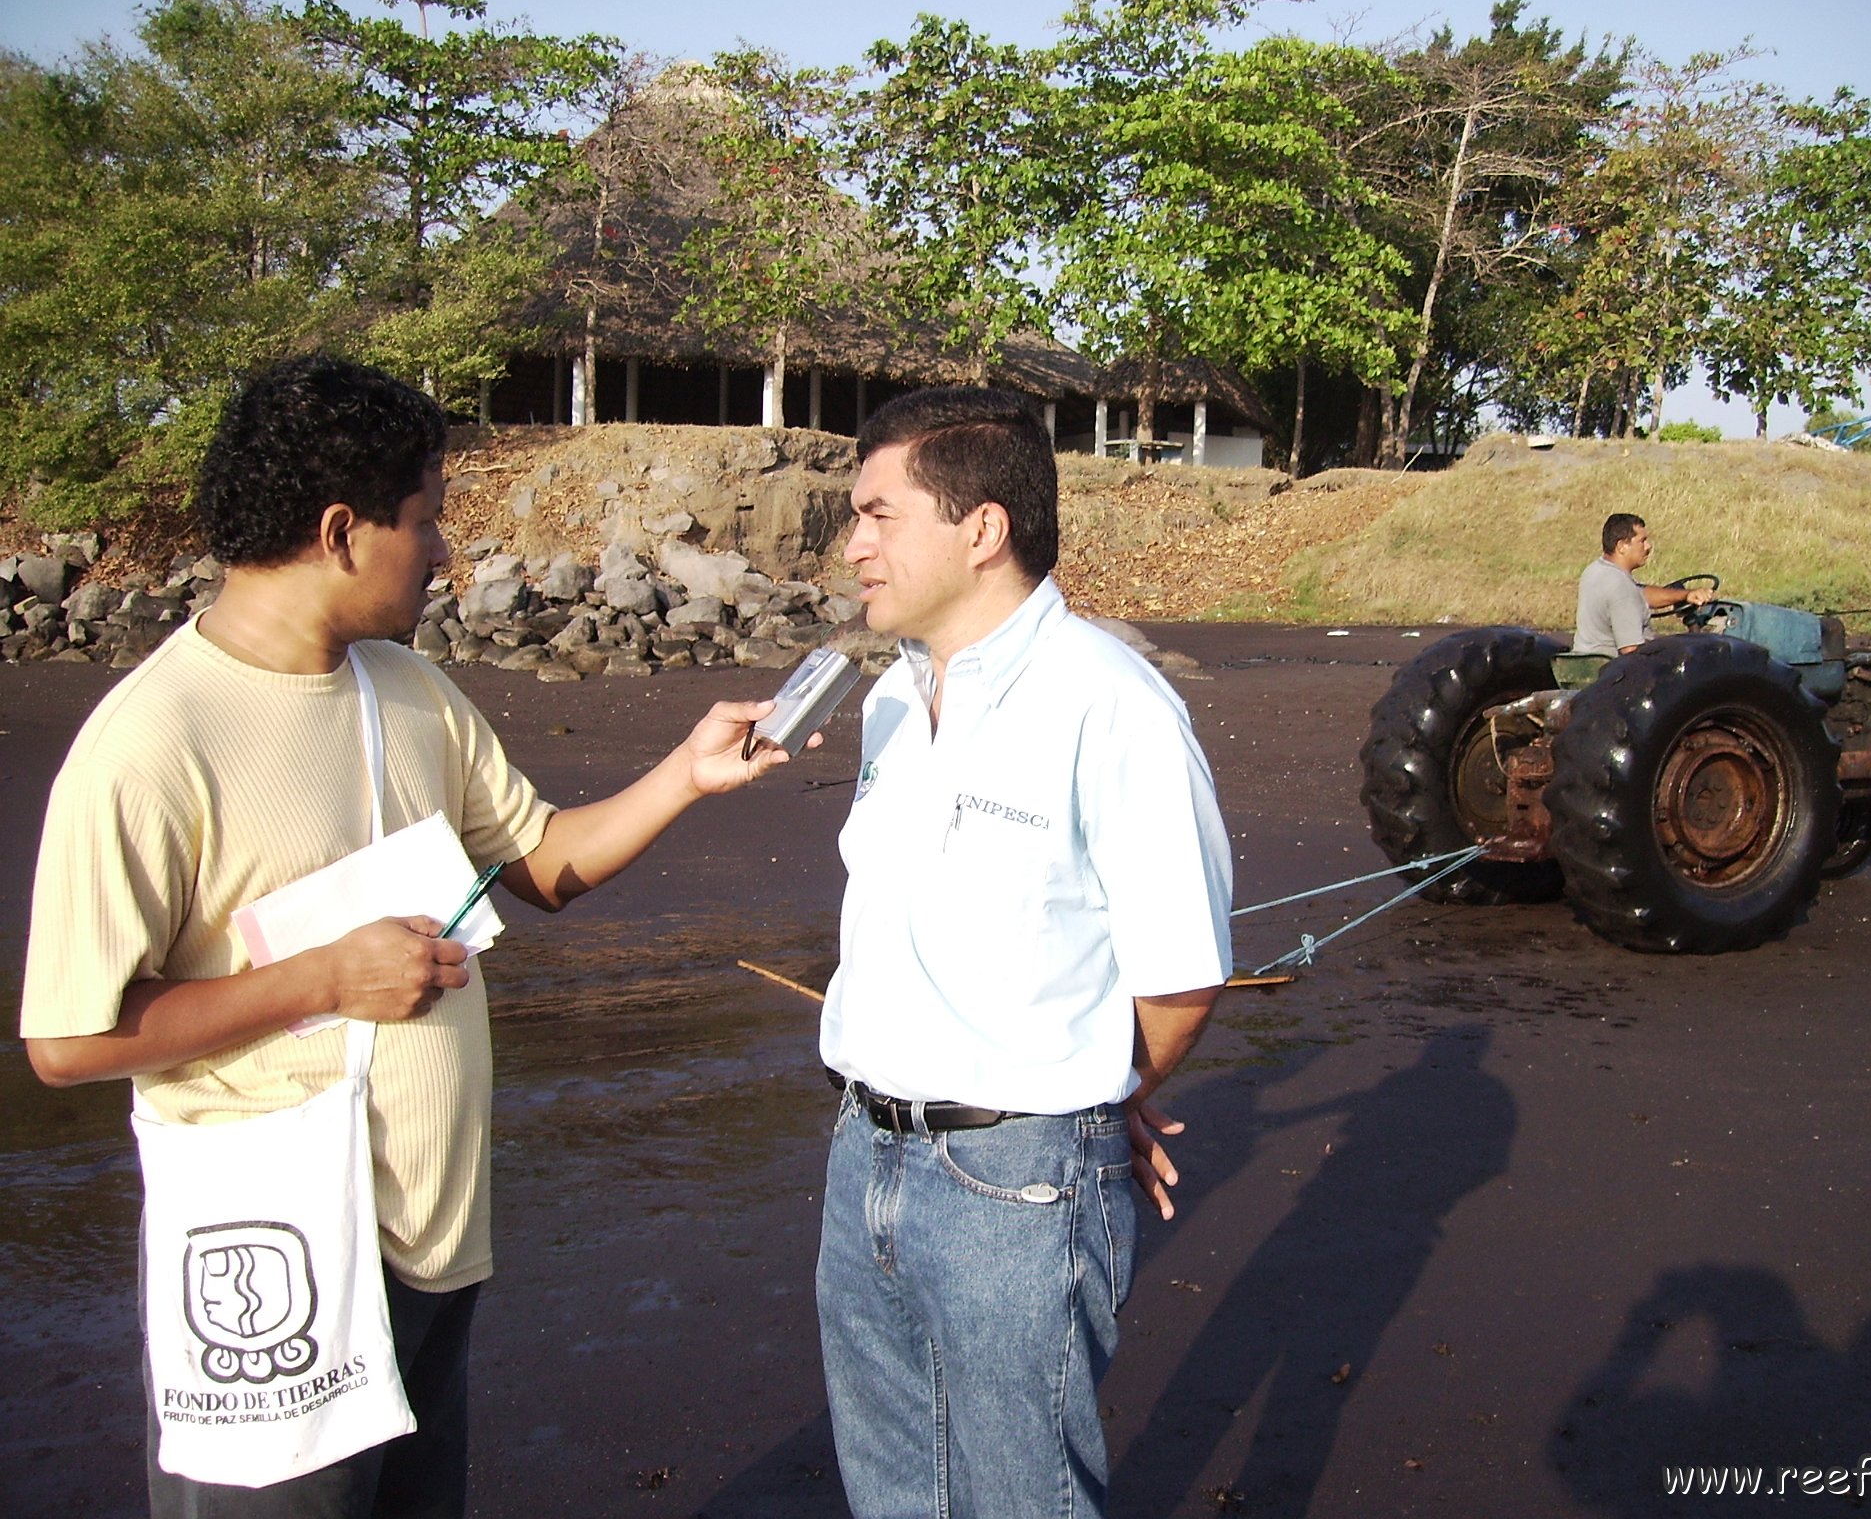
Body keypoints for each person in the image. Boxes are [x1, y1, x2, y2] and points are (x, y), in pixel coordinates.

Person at [20, 355, 803, 1518]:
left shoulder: (407, 689)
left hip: (431, 1241)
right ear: (342, 530)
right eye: (424, 520)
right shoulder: (151, 741)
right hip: (274, 1252)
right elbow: (70, 1040)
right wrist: (325, 978)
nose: (443, 554)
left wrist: (683, 778)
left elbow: (538, 862)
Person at [814, 386, 1234, 1519]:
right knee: (892, 1494)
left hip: (1015, 1185)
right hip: (862, 1151)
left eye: (877, 514)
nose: (850, 543)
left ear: (981, 529)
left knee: (1017, 1500)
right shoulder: (890, 703)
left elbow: (1182, 978)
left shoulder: (1112, 706)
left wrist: (1089, 1104)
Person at [1573, 511, 1716, 656]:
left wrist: (1687, 595)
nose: (1648, 546)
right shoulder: (1621, 587)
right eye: (1642, 541)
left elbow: (1640, 594)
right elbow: (1631, 652)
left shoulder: (1595, 571)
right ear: (1622, 546)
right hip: (1616, 670)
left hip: (1590, 662)